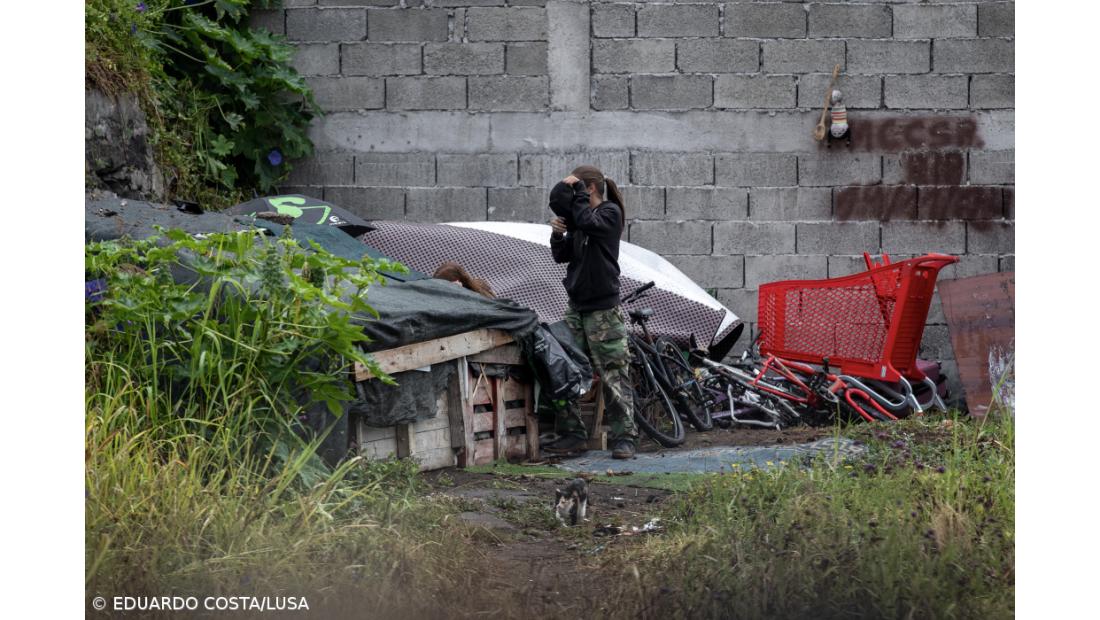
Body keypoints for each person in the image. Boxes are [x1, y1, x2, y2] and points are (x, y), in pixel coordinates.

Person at [543, 165, 638, 460]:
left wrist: (579, 195)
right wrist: (558, 235)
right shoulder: (581, 221)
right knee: (562, 367)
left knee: (613, 374)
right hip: (577, 308)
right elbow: (561, 256)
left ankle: (625, 438)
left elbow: (587, 219)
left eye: (579, 190)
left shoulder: (610, 213)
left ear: (590, 189)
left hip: (603, 311)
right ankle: (574, 434)